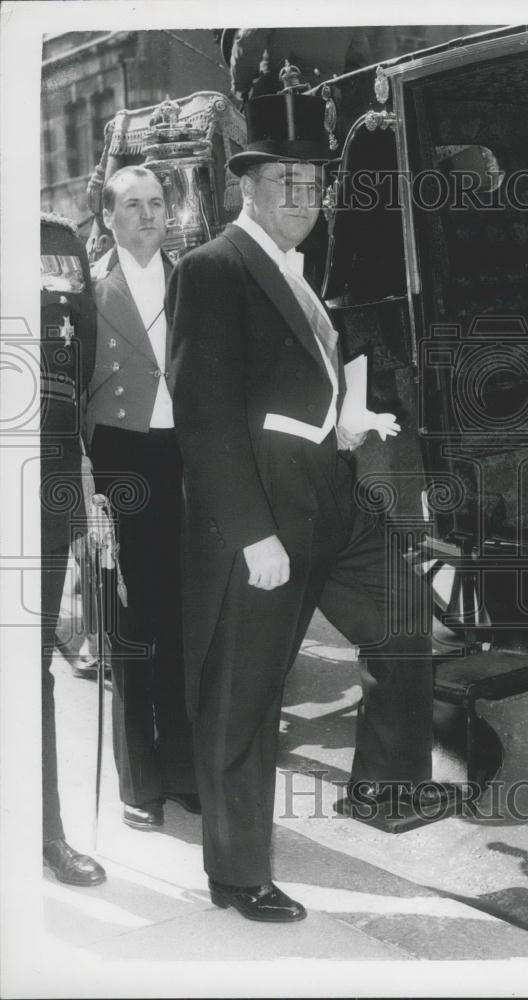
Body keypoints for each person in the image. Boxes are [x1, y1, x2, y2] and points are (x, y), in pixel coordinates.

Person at [167, 89, 441, 924]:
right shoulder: (213, 268)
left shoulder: (296, 270)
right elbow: (205, 416)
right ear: (247, 186)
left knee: (403, 621)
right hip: (266, 517)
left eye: (314, 183)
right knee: (245, 697)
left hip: (332, 497)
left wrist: (348, 417)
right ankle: (237, 872)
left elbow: (296, 387)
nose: (303, 196)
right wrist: (252, 535)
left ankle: (381, 789)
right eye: (284, 179)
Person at [85, 166, 199, 831]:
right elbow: (67, 394)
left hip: (180, 456)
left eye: (157, 203)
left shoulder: (192, 279)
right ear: (108, 219)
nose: (149, 215)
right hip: (120, 461)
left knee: (182, 620)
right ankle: (140, 780)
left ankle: (183, 770)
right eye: (133, 205)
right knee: (131, 625)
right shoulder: (89, 290)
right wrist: (84, 486)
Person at [40, 213, 106, 885]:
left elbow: (81, 365)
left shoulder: (57, 241)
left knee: (31, 671)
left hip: (42, 482)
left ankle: (46, 834)